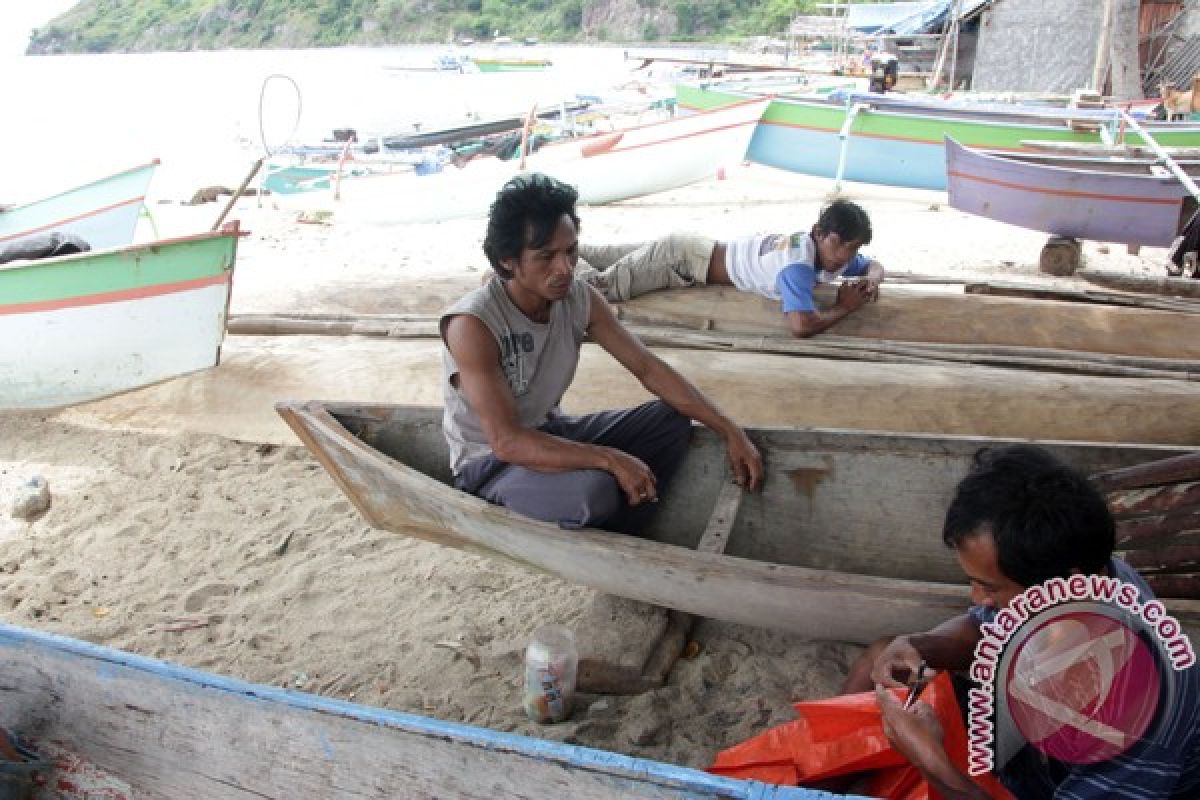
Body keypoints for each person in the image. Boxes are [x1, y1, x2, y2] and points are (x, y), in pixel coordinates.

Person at [842, 445, 1200, 799]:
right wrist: (921, 646)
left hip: (1079, 784)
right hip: (1031, 747)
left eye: (988, 587)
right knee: (881, 659)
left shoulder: (1136, 717)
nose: (977, 598)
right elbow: (985, 628)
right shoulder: (1084, 572)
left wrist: (933, 765)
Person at [440, 173, 763, 534]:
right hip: (492, 464)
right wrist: (610, 460)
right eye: (546, 256)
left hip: (551, 432)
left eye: (571, 251)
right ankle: (611, 517)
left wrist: (729, 429)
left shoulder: (579, 298)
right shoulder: (474, 324)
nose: (564, 268)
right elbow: (506, 441)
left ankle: (625, 530)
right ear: (508, 261)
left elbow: (647, 367)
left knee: (670, 421)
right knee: (595, 493)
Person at [574, 199, 884, 338]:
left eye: (852, 248)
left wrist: (871, 279)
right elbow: (801, 327)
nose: (844, 255)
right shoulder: (798, 267)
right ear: (818, 231)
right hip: (683, 261)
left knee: (595, 255)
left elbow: (873, 264)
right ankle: (541, 255)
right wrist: (846, 307)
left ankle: (544, 249)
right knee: (600, 287)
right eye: (839, 243)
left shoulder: (821, 250)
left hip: (690, 248)